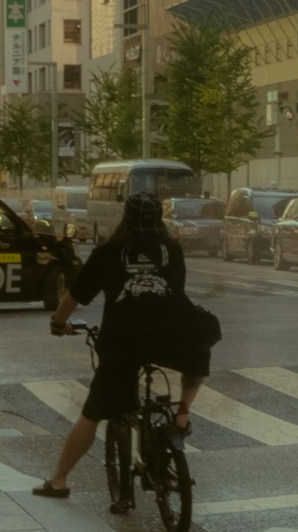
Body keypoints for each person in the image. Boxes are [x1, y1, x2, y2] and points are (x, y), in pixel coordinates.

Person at [36, 192, 205, 502]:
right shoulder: (172, 250)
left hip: (123, 342)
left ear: (125, 218)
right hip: (172, 337)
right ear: (159, 218)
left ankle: (59, 481)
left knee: (93, 412)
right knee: (200, 343)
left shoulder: (108, 252)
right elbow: (174, 292)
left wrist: (59, 324)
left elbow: (75, 295)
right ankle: (182, 413)